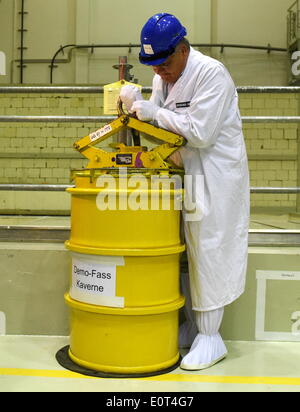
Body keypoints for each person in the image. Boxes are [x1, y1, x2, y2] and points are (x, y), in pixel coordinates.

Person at [120, 13, 250, 371]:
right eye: (154, 67)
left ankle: (211, 337)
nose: (159, 72)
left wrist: (152, 113)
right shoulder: (164, 77)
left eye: (163, 64)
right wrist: (136, 108)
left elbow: (201, 132)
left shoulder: (211, 73)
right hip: (183, 174)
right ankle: (193, 328)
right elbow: (162, 128)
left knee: (208, 251)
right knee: (184, 253)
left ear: (181, 49)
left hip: (214, 177)